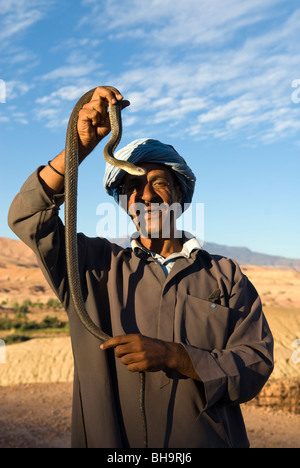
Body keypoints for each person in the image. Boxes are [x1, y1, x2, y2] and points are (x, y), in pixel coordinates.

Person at [8, 86, 274, 448]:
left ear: (180, 194)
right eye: (132, 187)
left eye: (159, 183)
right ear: (124, 203)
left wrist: (177, 356)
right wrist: (79, 148)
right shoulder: (90, 265)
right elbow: (27, 217)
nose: (145, 196)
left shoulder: (225, 276)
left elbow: (255, 361)